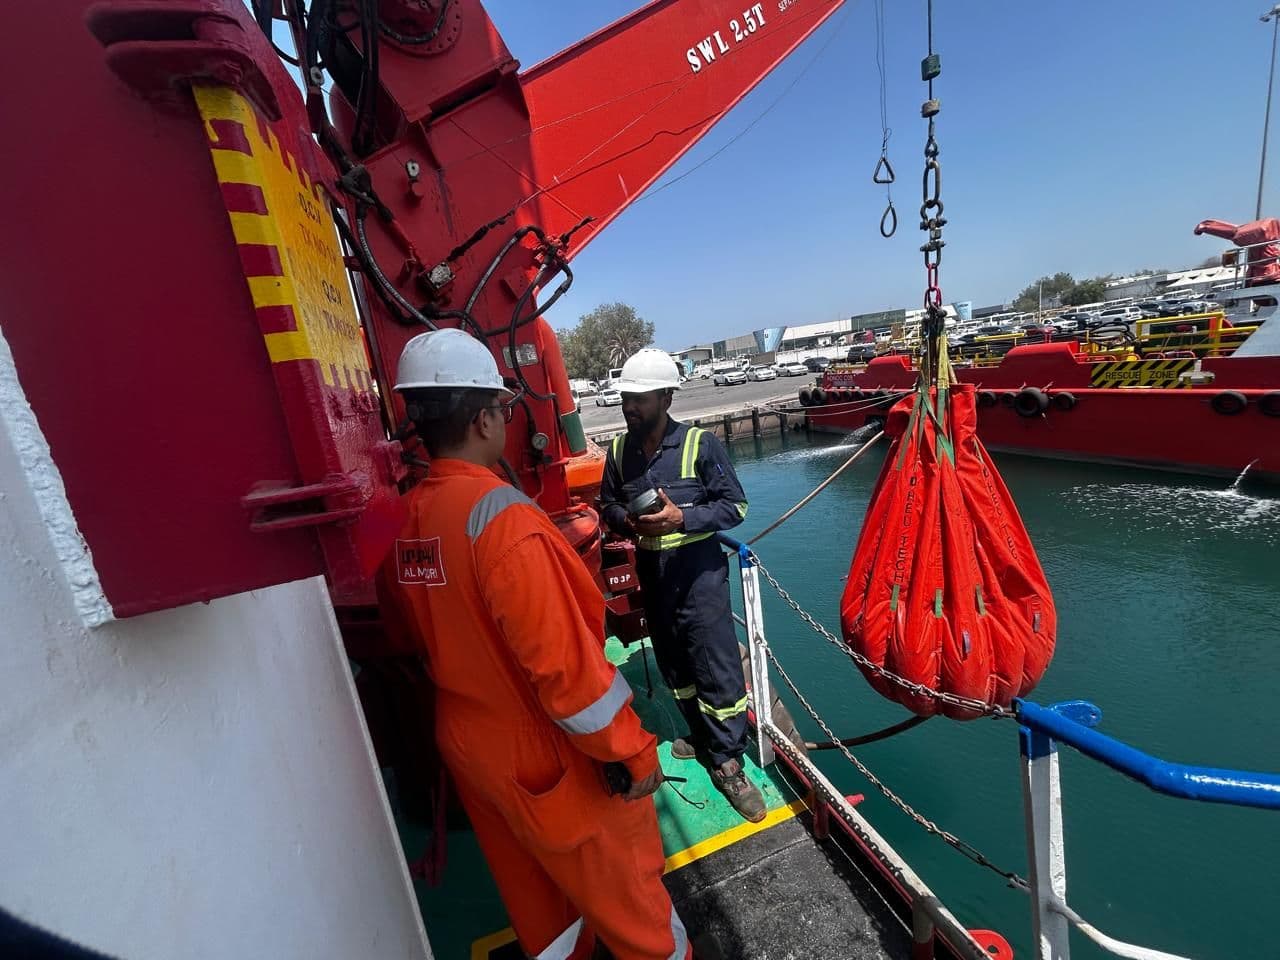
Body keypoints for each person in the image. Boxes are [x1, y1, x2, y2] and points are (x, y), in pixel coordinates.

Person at [379, 329, 691, 960]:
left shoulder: (410, 518)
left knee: (542, 912)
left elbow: (404, 630)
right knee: (637, 913)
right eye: (500, 408)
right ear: (483, 418)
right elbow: (568, 677)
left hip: (469, 742)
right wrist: (631, 753)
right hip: (541, 752)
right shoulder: (503, 521)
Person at [598, 349, 766, 824]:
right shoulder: (617, 452)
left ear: (666, 396)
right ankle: (699, 733)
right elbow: (605, 504)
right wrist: (627, 521)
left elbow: (736, 509)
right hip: (655, 578)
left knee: (717, 668)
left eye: (640, 398)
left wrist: (682, 518)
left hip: (700, 578)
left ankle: (729, 761)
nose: (629, 406)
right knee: (676, 664)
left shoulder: (700, 445)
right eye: (626, 398)